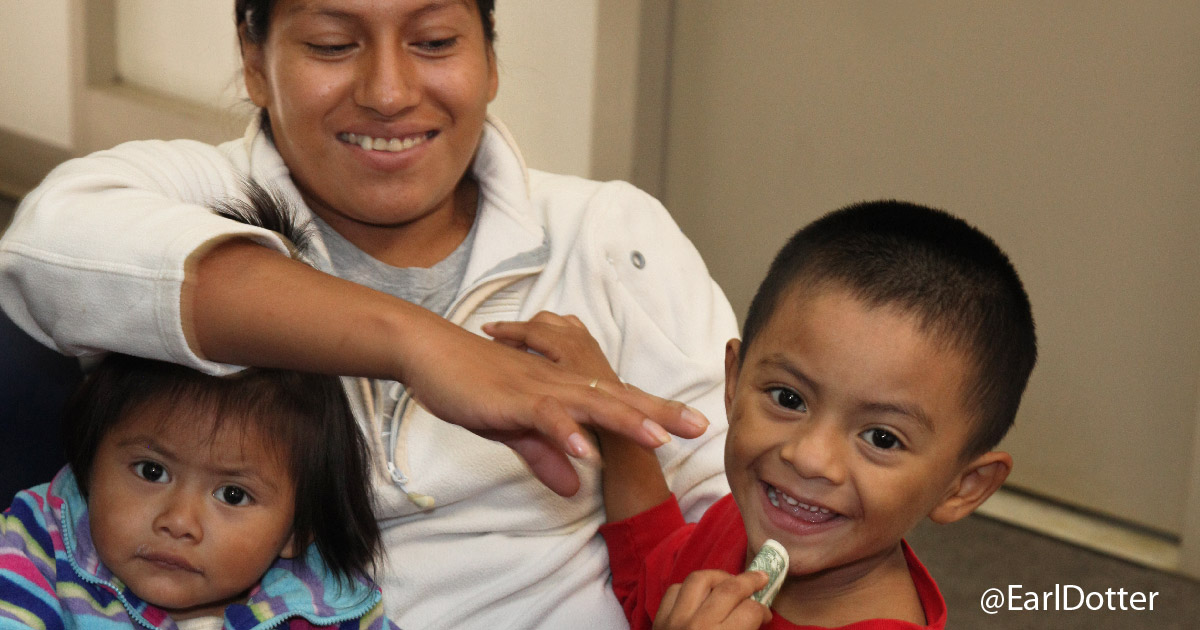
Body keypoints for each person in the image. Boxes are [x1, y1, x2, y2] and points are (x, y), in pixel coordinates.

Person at [0, 1, 737, 628]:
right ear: (254, 61)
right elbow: (46, 252)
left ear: (490, 59)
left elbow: (733, 515)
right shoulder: (194, 198)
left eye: (436, 42)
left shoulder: (609, 237)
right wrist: (415, 343)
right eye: (332, 44)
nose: (388, 91)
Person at [534, 200, 1037, 629]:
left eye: (882, 438)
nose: (809, 458)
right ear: (733, 382)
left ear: (963, 487)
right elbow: (654, 578)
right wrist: (609, 408)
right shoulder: (749, 518)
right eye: (789, 399)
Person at [0, 353, 399, 630]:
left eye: (232, 495)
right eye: (152, 471)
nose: (178, 521)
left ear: (298, 529)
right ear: (90, 462)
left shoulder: (332, 609)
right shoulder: (35, 548)